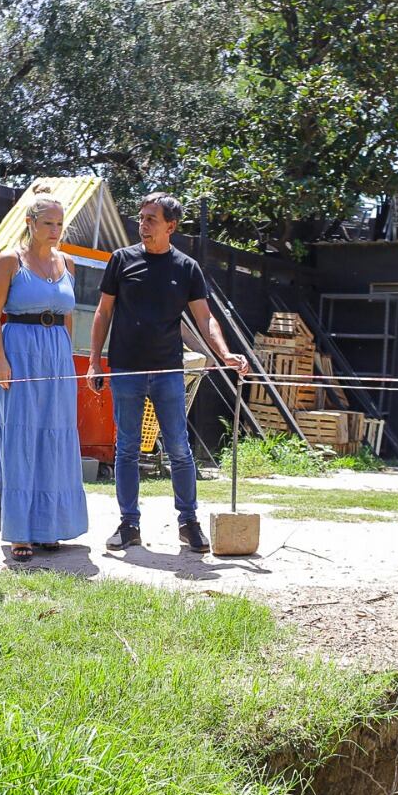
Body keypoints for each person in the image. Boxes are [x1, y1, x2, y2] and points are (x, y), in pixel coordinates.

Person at [87, 192, 247, 553]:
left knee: (179, 448)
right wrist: (95, 361)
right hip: (126, 369)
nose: (142, 224)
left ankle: (188, 522)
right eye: (141, 218)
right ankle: (129, 525)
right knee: (126, 449)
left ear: (170, 226)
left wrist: (224, 353)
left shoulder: (186, 267)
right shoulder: (121, 260)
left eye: (151, 219)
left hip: (168, 372)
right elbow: (103, 312)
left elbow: (204, 317)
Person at [0, 189, 89, 561]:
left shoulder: (68, 263)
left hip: (57, 354)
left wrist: (72, 358)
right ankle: (21, 532)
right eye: (48, 223)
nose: (55, 230)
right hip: (19, 351)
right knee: (21, 436)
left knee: (56, 436)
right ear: (30, 223)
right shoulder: (9, 262)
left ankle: (50, 526)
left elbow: (69, 314)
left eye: (60, 223)